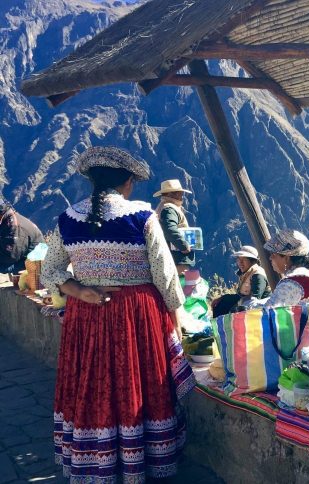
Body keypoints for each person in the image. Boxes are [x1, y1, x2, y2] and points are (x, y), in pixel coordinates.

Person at [41, 147, 195, 482]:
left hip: (87, 317)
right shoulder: (141, 217)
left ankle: (97, 460)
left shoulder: (67, 220)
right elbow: (165, 276)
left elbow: (50, 270)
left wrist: (81, 292)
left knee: (93, 384)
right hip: (135, 317)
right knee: (135, 383)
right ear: (127, 182)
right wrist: (177, 323)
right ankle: (139, 459)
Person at [251, 229, 309, 307]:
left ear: (286, 258)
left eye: (274, 254)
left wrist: (249, 304)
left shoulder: (291, 283)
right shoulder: (304, 275)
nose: (270, 258)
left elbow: (269, 311)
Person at [211, 245, 269, 317]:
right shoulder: (247, 273)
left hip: (257, 311)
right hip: (245, 303)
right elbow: (240, 296)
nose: (240, 262)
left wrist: (235, 308)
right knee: (222, 303)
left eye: (244, 260)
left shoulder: (258, 274)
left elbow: (255, 299)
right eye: (239, 259)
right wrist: (222, 298)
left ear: (252, 261)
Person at [154, 179, 195, 274]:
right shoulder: (169, 209)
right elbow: (169, 229)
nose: (182, 196)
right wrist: (183, 246)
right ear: (169, 195)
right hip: (176, 258)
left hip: (169, 256)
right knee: (180, 284)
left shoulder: (163, 207)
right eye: (179, 193)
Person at [0, 200, 44, 273]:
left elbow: (10, 257)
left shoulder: (13, 227)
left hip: (34, 260)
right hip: (21, 254)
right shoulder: (7, 218)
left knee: (2, 267)